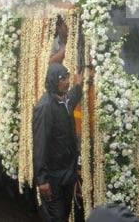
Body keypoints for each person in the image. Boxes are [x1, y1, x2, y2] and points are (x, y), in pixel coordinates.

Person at [33, 63, 83, 222]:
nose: (67, 81)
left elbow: (72, 99)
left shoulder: (64, 99)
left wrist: (79, 84)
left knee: (64, 214)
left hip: (67, 174)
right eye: (63, 78)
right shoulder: (45, 107)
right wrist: (42, 180)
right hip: (53, 177)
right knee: (56, 218)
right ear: (54, 81)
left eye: (68, 77)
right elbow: (40, 145)